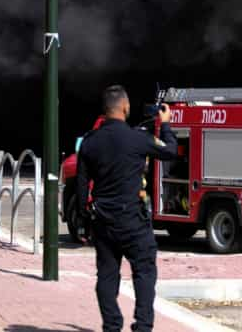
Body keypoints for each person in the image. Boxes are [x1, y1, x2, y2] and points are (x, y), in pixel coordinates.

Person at [77, 85, 178, 332]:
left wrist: (84, 220)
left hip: (103, 221)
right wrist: (164, 123)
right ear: (124, 107)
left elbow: (81, 186)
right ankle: (142, 326)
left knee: (107, 276)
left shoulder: (90, 142)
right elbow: (170, 151)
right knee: (144, 272)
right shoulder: (138, 138)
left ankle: (112, 326)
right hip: (133, 220)